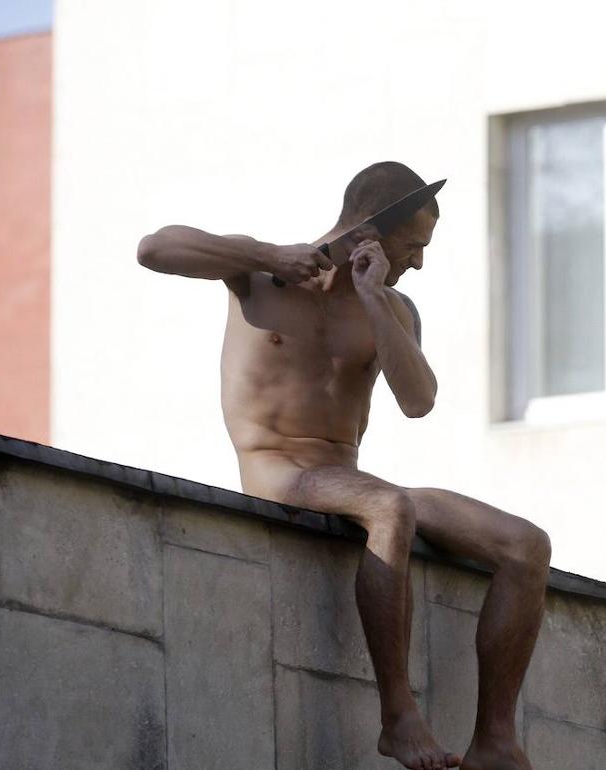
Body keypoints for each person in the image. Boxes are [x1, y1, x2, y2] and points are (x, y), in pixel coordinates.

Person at [137, 161, 550, 770]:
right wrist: (268, 254)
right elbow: (154, 249)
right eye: (413, 245)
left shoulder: (392, 307)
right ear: (371, 229)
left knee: (525, 545)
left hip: (347, 476)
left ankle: (495, 740)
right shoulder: (259, 276)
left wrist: (375, 298)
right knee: (389, 506)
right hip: (276, 466)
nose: (419, 262)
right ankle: (398, 717)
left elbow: (418, 402)